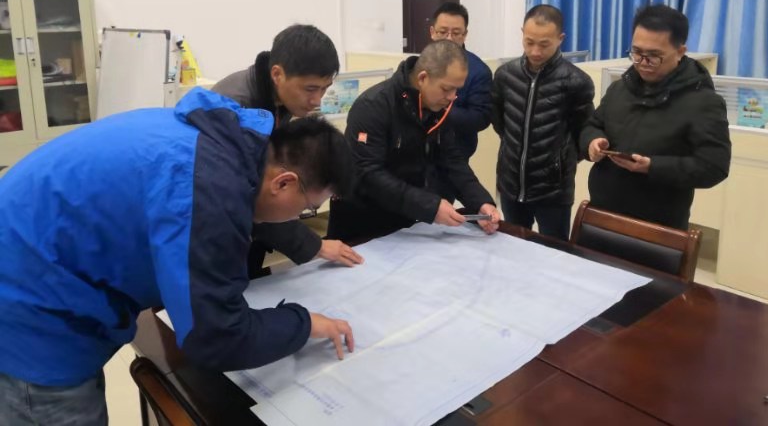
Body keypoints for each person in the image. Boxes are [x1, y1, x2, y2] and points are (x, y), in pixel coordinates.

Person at [0, 88, 356, 425]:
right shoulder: (210, 188)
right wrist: (302, 323)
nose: (301, 217)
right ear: (283, 183)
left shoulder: (226, 142)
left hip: (35, 257)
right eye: (309, 207)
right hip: (31, 311)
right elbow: (216, 337)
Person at [213, 24, 363, 274]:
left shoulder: (277, 101)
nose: (317, 101)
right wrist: (316, 246)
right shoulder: (235, 111)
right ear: (277, 74)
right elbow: (243, 199)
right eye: (310, 89)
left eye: (324, 89)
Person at [327, 40, 500, 241]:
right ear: (423, 78)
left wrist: (480, 202)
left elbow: (452, 161)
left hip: (404, 220)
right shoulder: (373, 106)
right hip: (361, 223)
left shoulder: (437, 109)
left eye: (457, 90)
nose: (452, 97)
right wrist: (430, 206)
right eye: (446, 89)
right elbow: (368, 173)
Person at [579, 3, 732, 229]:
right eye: (637, 53)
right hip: (602, 214)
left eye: (654, 56)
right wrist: (592, 142)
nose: (643, 63)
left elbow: (714, 167)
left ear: (680, 52)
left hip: (659, 227)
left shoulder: (704, 102)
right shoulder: (620, 89)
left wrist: (652, 166)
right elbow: (592, 125)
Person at [492, 4, 595, 240]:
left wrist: (558, 163)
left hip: (553, 190)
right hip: (511, 182)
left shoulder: (576, 81)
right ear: (522, 34)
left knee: (554, 250)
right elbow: (499, 122)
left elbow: (583, 133)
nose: (535, 51)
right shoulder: (505, 75)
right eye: (529, 42)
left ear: (560, 39)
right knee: (513, 246)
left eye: (544, 44)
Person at [428, 1, 492, 165]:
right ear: (432, 32)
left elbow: (481, 118)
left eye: (456, 33)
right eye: (443, 32)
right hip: (416, 155)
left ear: (464, 34)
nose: (449, 38)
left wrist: (439, 110)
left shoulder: (478, 71)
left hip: (455, 158)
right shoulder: (419, 64)